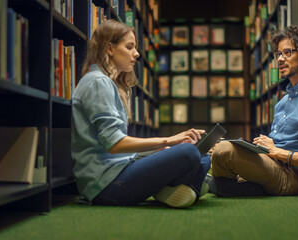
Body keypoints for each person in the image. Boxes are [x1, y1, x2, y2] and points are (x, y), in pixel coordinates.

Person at [71, 19, 210, 208]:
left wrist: (160, 151)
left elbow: (119, 149)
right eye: (129, 47)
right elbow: (115, 145)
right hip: (106, 186)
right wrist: (169, 141)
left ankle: (180, 190)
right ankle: (186, 187)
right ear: (110, 48)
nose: (136, 53)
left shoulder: (108, 83)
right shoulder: (98, 82)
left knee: (202, 154)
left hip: (122, 169)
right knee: (188, 152)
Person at [209, 25, 298, 197]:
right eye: (278, 54)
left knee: (224, 151)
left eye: (287, 52)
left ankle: (223, 185)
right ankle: (233, 185)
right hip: (272, 162)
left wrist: (276, 152)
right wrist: (260, 146)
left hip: (293, 176)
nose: (280, 59)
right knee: (213, 149)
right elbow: (277, 146)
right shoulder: (283, 102)